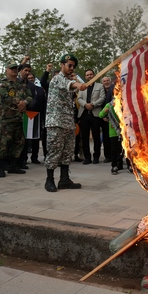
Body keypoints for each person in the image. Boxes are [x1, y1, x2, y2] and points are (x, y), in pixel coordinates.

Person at [45, 53, 88, 192]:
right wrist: (79, 84)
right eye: (69, 65)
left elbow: (73, 87)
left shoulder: (69, 79)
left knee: (67, 152)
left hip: (68, 121)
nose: (71, 68)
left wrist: (78, 84)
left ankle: (64, 180)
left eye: (73, 66)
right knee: (54, 151)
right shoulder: (57, 79)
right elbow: (69, 85)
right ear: (62, 65)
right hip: (56, 121)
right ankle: (49, 180)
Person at [0, 64, 32, 177]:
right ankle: (1, 167)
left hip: (19, 118)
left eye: (16, 69)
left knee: (18, 143)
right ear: (6, 70)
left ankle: (13, 166)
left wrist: (25, 102)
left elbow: (30, 96)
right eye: (11, 68)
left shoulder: (22, 84)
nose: (14, 70)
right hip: (7, 118)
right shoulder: (3, 83)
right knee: (3, 143)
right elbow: (4, 98)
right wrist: (19, 103)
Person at [77, 69, 105, 165]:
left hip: (95, 113)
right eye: (87, 75)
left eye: (91, 74)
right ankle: (87, 157)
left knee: (96, 136)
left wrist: (92, 104)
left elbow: (102, 98)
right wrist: (85, 105)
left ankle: (96, 157)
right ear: (85, 77)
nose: (89, 76)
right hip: (84, 113)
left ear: (94, 75)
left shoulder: (100, 86)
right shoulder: (82, 87)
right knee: (84, 137)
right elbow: (79, 98)